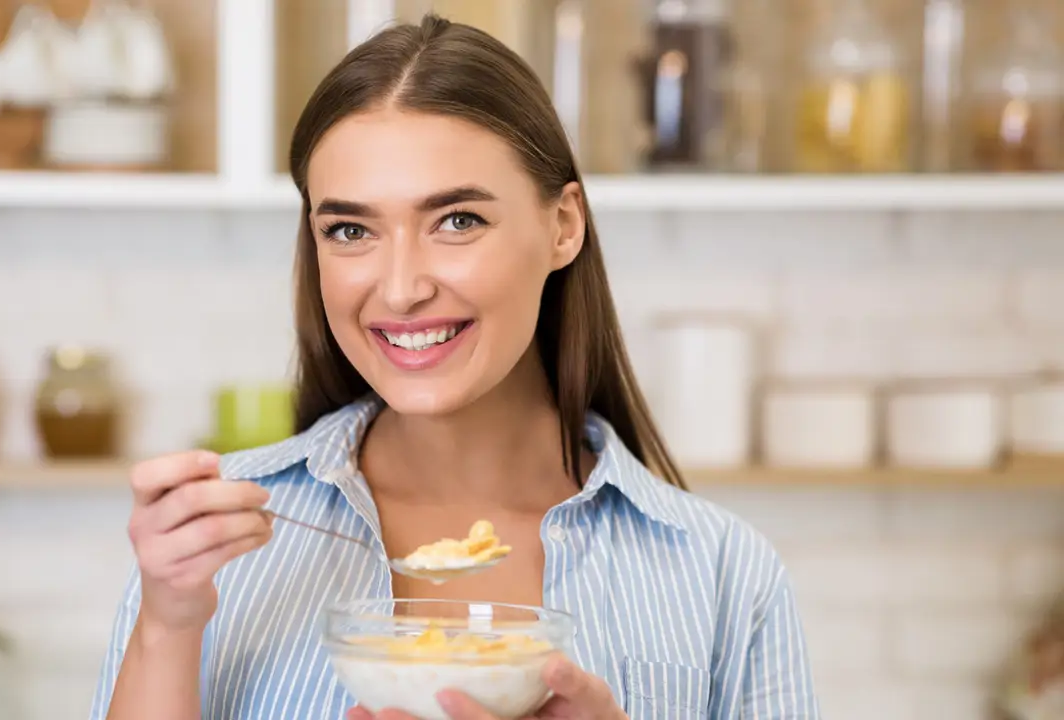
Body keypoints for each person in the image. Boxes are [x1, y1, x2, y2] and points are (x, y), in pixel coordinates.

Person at [89, 13, 819, 720]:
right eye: (349, 229)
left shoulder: (722, 572)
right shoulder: (216, 548)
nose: (402, 287)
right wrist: (168, 624)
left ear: (563, 225)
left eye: (457, 221)